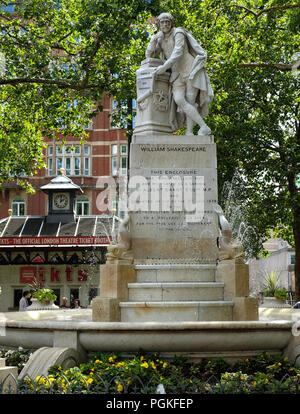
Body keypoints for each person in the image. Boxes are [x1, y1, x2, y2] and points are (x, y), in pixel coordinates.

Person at [146, 12, 213, 135]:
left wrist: (164, 67)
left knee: (190, 100)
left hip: (190, 70)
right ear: (158, 25)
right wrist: (154, 39)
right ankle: (204, 126)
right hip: (176, 74)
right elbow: (149, 55)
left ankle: (189, 132)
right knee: (179, 99)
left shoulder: (178, 32)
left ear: (171, 23)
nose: (165, 24)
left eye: (168, 22)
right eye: (162, 22)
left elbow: (178, 52)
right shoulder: (160, 39)